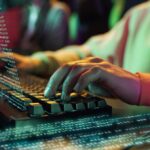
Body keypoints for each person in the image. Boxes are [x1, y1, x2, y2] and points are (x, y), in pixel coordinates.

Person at [0, 2, 150, 105]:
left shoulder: (57, 11)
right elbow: (89, 55)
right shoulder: (141, 14)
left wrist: (142, 86)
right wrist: (35, 63)